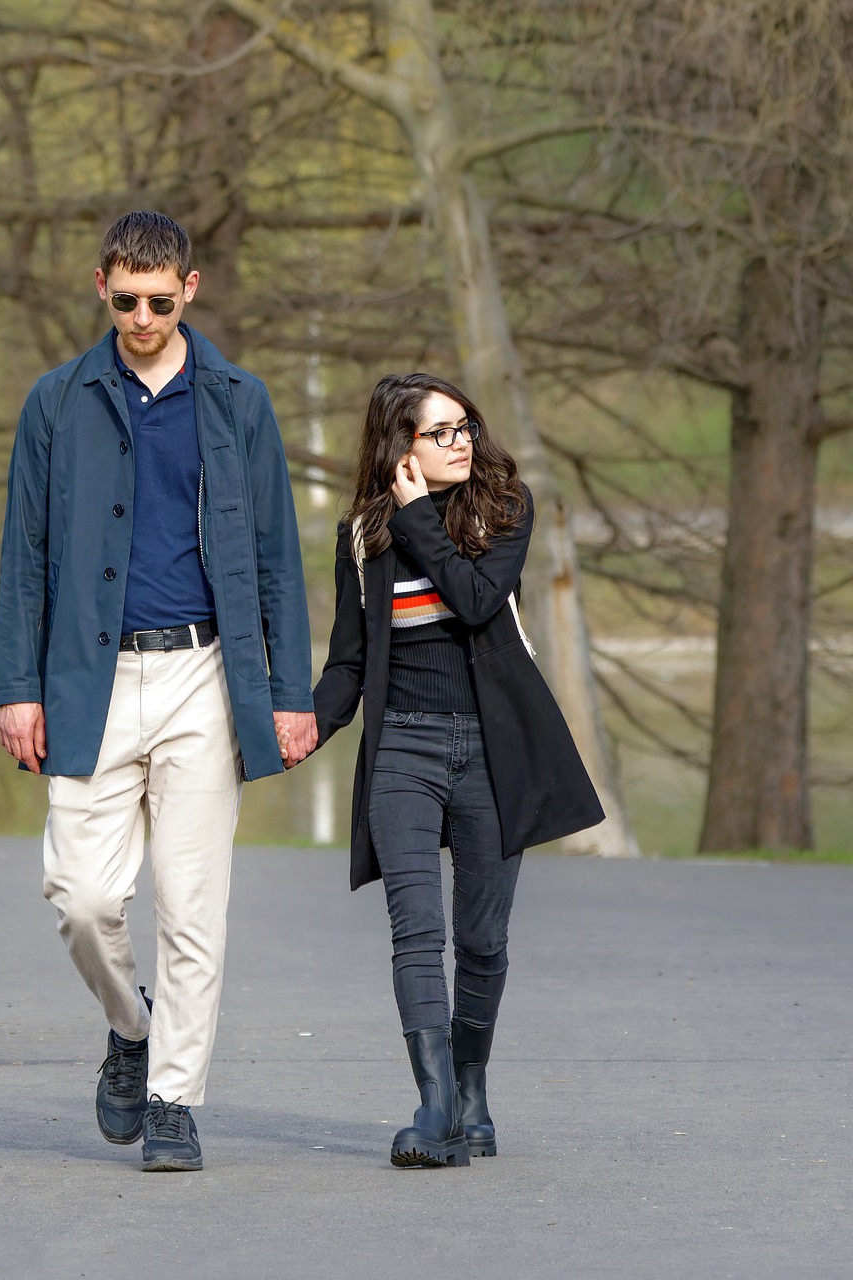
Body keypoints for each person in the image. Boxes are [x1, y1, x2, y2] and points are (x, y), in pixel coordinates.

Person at [0, 210, 317, 1173]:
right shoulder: (56, 403)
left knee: (192, 903)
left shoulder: (239, 401)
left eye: (161, 302)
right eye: (127, 300)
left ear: (190, 290)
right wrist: (17, 687)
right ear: (102, 287)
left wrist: (290, 692)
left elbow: (276, 557)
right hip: (87, 680)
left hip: (203, 678)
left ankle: (174, 1099)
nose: (143, 318)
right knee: (82, 895)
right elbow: (24, 556)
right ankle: (131, 1030)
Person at [312, 372, 604, 1168]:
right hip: (401, 749)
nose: (460, 441)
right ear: (398, 445)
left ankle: (471, 1088)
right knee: (416, 930)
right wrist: (295, 730)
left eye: (463, 425)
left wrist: (418, 519)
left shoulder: (504, 511)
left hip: (491, 752)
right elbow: (349, 663)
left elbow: (474, 600)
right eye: (438, 431)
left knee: (481, 938)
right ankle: (435, 1105)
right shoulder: (363, 536)